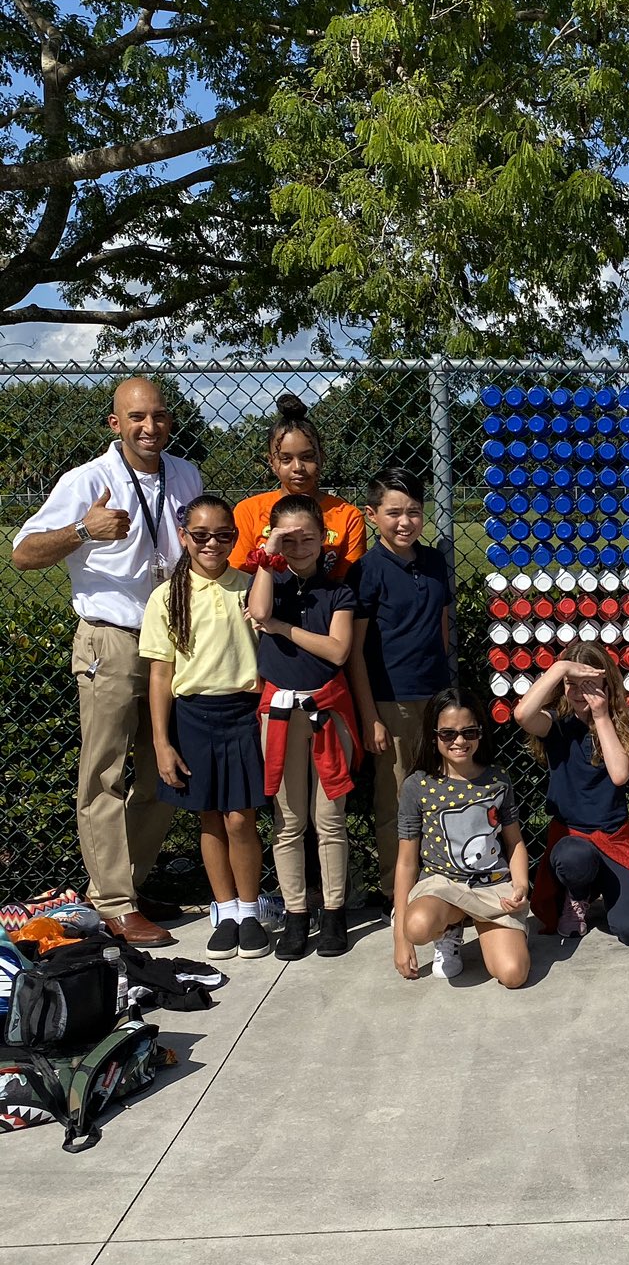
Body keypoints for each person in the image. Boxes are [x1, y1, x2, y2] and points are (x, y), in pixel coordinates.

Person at [12, 376, 201, 944]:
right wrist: (82, 529)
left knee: (167, 769)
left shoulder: (186, 474)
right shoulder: (87, 480)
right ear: (116, 424)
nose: (150, 427)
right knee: (104, 774)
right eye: (136, 417)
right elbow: (23, 553)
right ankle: (116, 902)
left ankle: (125, 887)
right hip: (112, 639)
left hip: (172, 640)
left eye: (159, 416)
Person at [140, 495, 269, 962]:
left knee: (240, 818)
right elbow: (160, 674)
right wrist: (162, 742)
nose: (212, 544)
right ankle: (225, 911)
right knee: (209, 817)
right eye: (200, 535)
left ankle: (250, 910)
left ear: (236, 537)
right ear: (183, 537)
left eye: (223, 535)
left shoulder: (250, 588)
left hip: (244, 713)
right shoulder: (166, 597)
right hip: (192, 716)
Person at [246, 494, 359, 961]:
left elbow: (338, 651)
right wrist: (268, 553)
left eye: (306, 537)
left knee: (329, 818)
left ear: (323, 538)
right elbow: (258, 612)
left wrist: (281, 627)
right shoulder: (268, 582)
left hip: (327, 710)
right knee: (288, 820)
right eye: (287, 539)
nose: (298, 547)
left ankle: (333, 912)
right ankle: (295, 913)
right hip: (279, 714)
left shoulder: (338, 591)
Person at [346, 466, 453, 898]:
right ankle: (398, 889)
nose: (405, 522)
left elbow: (441, 627)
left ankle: (442, 878)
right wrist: (370, 715)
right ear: (372, 515)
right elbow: (355, 651)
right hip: (392, 702)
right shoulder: (366, 571)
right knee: (395, 799)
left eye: (413, 512)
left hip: (437, 699)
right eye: (393, 513)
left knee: (442, 792)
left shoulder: (433, 562)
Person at [517, 643, 629, 946]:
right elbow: (522, 714)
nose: (581, 693)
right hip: (573, 839)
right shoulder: (555, 724)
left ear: (606, 684)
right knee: (574, 857)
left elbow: (619, 774)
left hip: (613, 839)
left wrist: (601, 716)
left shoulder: (623, 722)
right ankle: (577, 893)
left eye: (590, 685)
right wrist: (560, 668)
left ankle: (607, 890)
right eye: (572, 684)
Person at [392, 687, 531, 988]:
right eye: (448, 734)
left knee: (513, 975)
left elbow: (515, 842)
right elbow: (406, 863)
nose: (459, 741)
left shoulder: (497, 779)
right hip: (442, 886)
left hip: (492, 886)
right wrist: (401, 940)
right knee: (416, 927)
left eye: (469, 732)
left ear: (480, 732)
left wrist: (520, 885)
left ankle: (483, 925)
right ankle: (449, 928)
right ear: (433, 736)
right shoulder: (418, 785)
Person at [230, 393, 366, 579]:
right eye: (286, 459)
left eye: (307, 457)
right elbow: (240, 576)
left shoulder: (348, 517)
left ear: (321, 457)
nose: (298, 467)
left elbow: (347, 582)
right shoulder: (248, 511)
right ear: (272, 462)